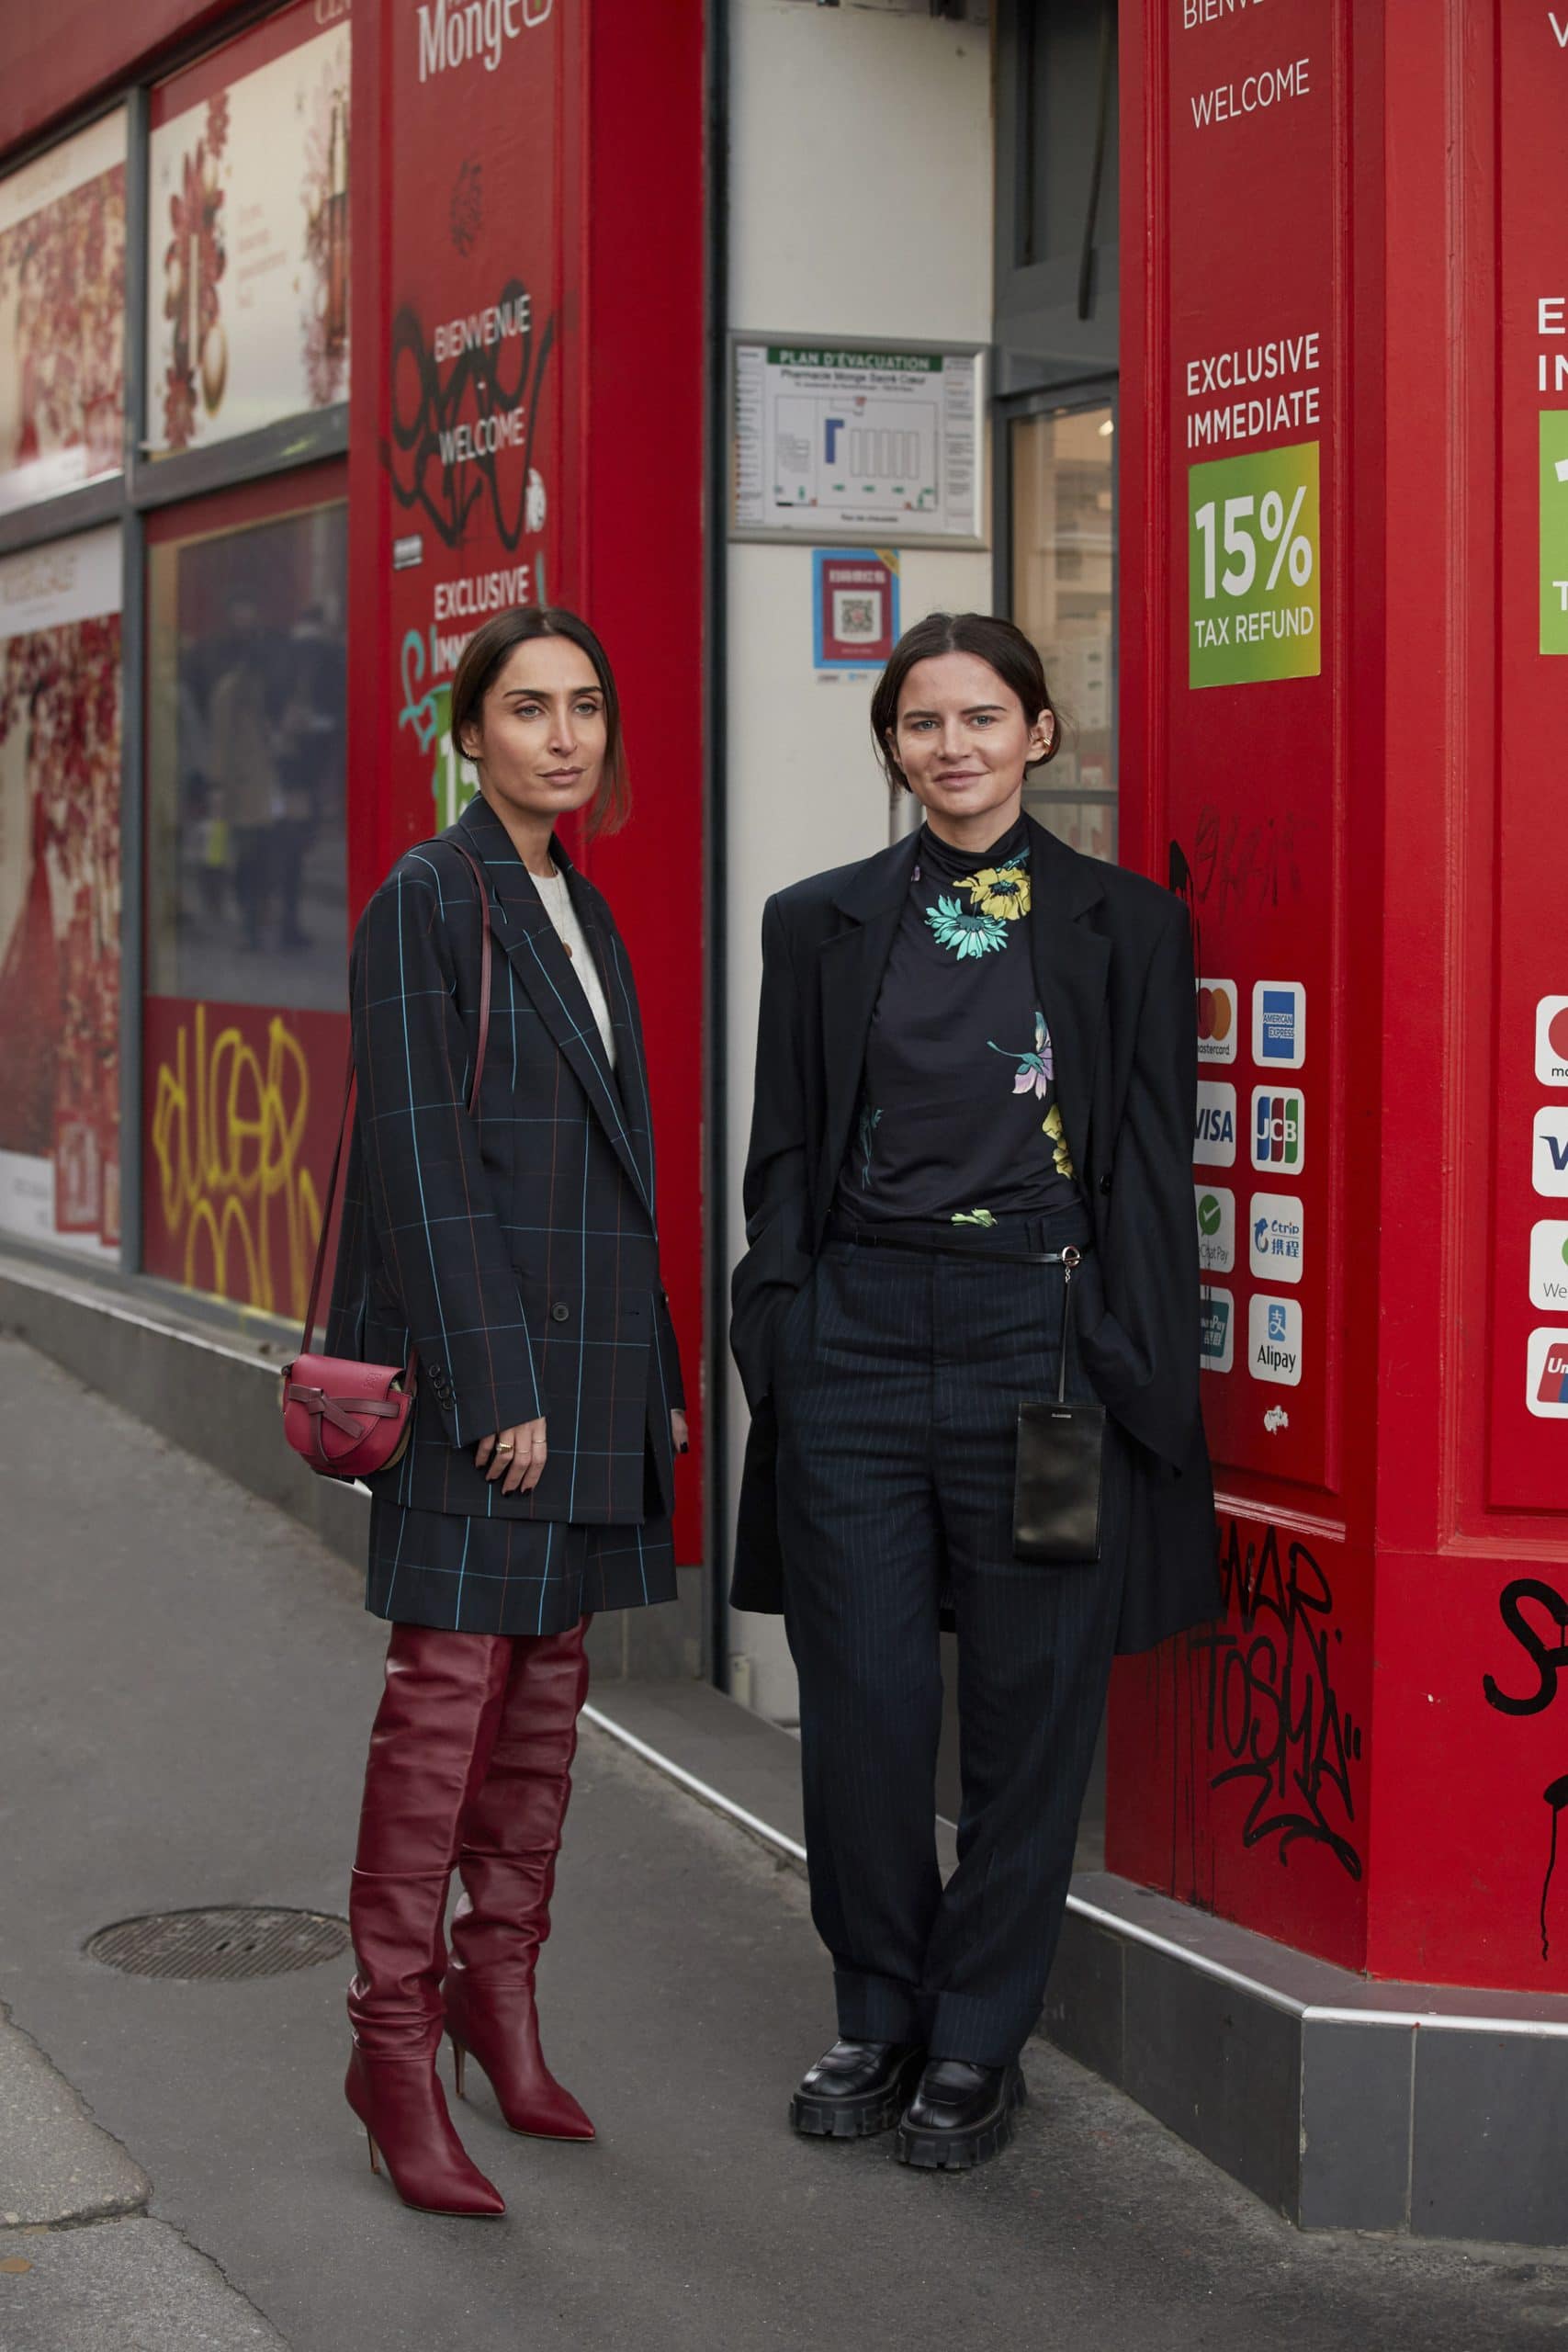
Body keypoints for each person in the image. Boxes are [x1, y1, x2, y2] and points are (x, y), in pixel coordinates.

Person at [729, 611, 1219, 2172]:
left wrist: (1130, 1357)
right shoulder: (814, 924)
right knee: (863, 1706)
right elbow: (787, 1154)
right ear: (892, 744)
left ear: (1040, 734)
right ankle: (877, 2008)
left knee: (1031, 1703)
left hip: (1046, 1356)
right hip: (859, 1346)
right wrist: (787, 1335)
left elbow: (1148, 1161)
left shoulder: (1126, 925)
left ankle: (978, 2035)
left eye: (984, 717)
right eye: (925, 721)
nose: (955, 746)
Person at [326, 605, 688, 2217]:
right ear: (466, 733)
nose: (564, 735)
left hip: (594, 1380)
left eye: (586, 708)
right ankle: (390, 2047)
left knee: (543, 1714)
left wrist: (658, 1381)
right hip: (499, 1387)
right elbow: (414, 1161)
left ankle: (500, 2003)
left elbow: (616, 1179)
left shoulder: (581, 911)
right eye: (528, 709)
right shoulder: (430, 896)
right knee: (443, 1713)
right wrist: (495, 1385)